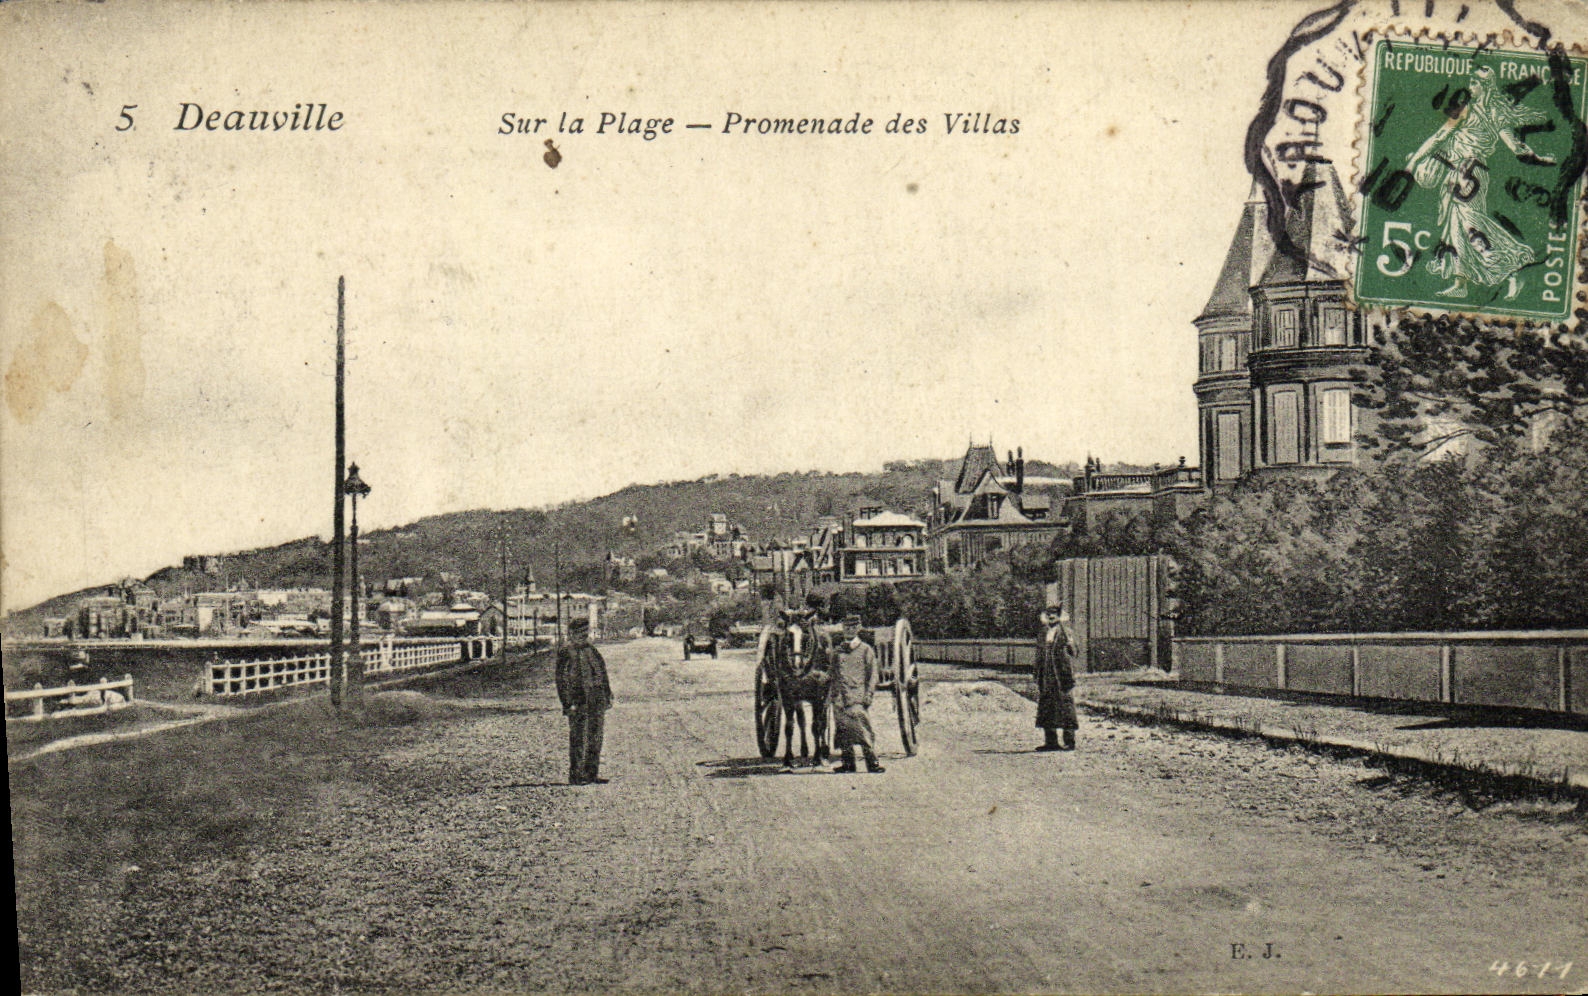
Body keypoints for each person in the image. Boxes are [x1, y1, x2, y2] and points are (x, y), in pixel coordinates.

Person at [1405, 63, 1554, 300]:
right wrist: (1540, 159)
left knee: (1470, 226)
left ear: (1485, 86)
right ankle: (1461, 282)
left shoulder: (1481, 112)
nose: (1471, 87)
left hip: (1469, 173)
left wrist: (1413, 162)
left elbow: (1440, 137)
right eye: (1471, 82)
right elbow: (1516, 149)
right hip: (1459, 172)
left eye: (1475, 83)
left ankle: (1513, 267)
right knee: (1456, 228)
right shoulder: (1480, 111)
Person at [555, 617, 612, 785]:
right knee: (579, 737)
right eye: (579, 632)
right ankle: (577, 775)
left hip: (596, 699)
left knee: (596, 737)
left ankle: (591, 774)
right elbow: (561, 680)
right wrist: (567, 703)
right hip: (578, 700)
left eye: (585, 632)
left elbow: (602, 673)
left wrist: (607, 695)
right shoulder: (566, 651)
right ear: (572, 633)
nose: (583, 635)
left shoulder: (592, 650)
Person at [829, 614, 885, 774]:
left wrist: (869, 695)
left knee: (863, 728)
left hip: (857, 696)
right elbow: (832, 674)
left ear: (858, 628)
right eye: (846, 627)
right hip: (839, 697)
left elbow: (873, 674)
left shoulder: (866, 650)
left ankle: (872, 763)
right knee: (842, 729)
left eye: (852, 627)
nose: (849, 630)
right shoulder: (837, 651)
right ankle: (848, 763)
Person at [1035, 604, 1079, 751]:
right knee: (1047, 706)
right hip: (1046, 675)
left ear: (1060, 616)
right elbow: (1039, 655)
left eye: (1054, 614)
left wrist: (1071, 644)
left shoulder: (1066, 632)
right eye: (1049, 614)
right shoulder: (1043, 633)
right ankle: (1051, 742)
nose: (1051, 617)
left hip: (1062, 675)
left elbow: (1075, 653)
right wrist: (1037, 674)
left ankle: (1069, 741)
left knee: (1065, 706)